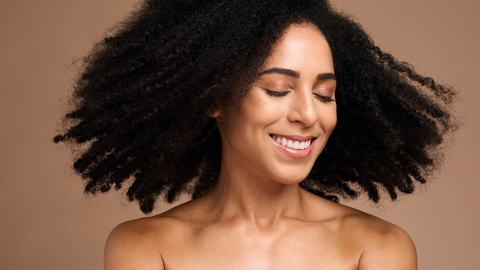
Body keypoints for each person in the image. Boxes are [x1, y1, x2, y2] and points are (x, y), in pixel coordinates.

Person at [54, 0, 459, 269]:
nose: (307, 114)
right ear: (216, 97)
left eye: (324, 94)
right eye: (278, 90)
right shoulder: (144, 248)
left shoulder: (378, 249)